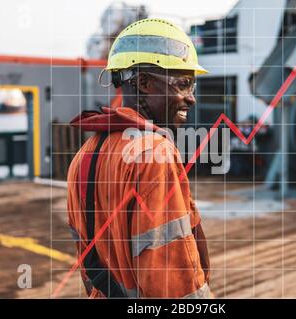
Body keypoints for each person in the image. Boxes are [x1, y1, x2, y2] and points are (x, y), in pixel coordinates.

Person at [67, 18, 211, 298]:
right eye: (183, 83)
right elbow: (171, 278)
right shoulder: (155, 154)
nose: (191, 98)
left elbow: (89, 265)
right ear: (144, 83)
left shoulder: (84, 156)